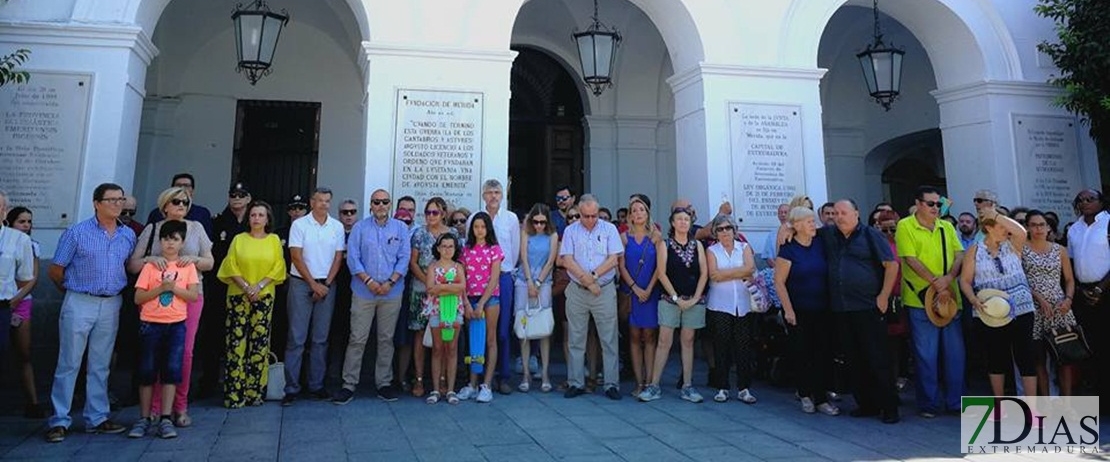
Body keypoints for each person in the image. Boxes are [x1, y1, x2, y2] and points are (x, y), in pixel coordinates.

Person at [45, 183, 137, 443]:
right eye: (112, 200)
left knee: (101, 363)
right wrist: (73, 294)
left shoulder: (127, 235)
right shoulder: (77, 232)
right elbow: (56, 270)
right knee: (69, 362)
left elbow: (128, 265)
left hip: (111, 303)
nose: (118, 205)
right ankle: (59, 419)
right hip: (80, 300)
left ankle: (97, 417)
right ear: (96, 203)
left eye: (121, 200)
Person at [126, 187, 214, 427]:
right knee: (155, 352)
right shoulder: (153, 229)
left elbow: (210, 261)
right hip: (156, 298)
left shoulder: (196, 228)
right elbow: (133, 264)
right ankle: (154, 408)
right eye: (176, 201)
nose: (181, 206)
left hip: (189, 295)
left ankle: (180, 406)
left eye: (185, 202)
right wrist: (150, 260)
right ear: (164, 205)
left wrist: (194, 260)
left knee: (184, 353)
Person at [822, 200, 900, 424]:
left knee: (877, 358)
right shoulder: (829, 235)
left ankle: (889, 406)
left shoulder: (869, 235)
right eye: (835, 213)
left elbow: (891, 264)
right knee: (853, 359)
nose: (839, 217)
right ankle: (866, 404)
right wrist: (788, 229)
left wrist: (884, 295)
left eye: (844, 212)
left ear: (856, 213)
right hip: (841, 308)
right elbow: (804, 232)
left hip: (868, 306)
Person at [333, 189, 411, 405]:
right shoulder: (359, 228)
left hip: (391, 292)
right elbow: (353, 259)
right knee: (357, 338)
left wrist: (390, 282)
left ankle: (383, 383)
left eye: (385, 201)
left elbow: (404, 258)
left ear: (390, 204)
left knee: (386, 339)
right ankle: (348, 385)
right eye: (376, 202)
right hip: (363, 291)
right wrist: (369, 281)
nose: (381, 205)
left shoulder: (401, 229)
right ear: (371, 204)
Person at [895, 186, 965, 418]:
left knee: (955, 354)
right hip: (920, 299)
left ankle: (956, 402)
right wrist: (936, 282)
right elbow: (910, 259)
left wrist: (949, 278)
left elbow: (959, 255)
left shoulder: (946, 227)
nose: (936, 208)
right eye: (931, 203)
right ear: (919, 203)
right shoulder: (906, 225)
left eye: (938, 204)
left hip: (949, 299)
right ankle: (929, 403)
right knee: (926, 355)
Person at [958, 206, 1036, 406]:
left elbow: (1021, 231)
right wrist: (973, 299)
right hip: (990, 312)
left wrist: (998, 215)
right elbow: (965, 280)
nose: (1006, 230)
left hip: (1021, 309)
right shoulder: (974, 251)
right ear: (989, 228)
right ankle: (1000, 404)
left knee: (1026, 357)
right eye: (1001, 226)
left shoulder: (1012, 244)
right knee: (996, 358)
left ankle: (1032, 408)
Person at [128, 220, 199, 439]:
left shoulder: (187, 267)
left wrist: (174, 288)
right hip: (151, 323)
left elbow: (193, 295)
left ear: (182, 243)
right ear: (160, 242)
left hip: (176, 323)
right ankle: (145, 417)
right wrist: (160, 288)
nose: (170, 243)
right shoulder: (151, 267)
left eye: (175, 239)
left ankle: (166, 417)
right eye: (166, 239)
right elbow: (138, 296)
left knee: (171, 371)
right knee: (147, 371)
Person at [216, 201, 286, 408]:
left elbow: (278, 266)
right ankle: (234, 394)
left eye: (261, 215)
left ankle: (255, 392)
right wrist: (247, 287)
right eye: (253, 214)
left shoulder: (273, 240)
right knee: (236, 344)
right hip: (239, 295)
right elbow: (230, 264)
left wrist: (259, 286)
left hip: (264, 296)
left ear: (267, 219)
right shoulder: (239, 239)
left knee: (260, 344)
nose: (256, 218)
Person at [282, 188, 345, 406]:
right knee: (296, 337)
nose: (324, 205)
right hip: (301, 284)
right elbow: (296, 257)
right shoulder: (299, 225)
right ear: (312, 202)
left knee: (320, 339)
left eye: (328, 201)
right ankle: (291, 388)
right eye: (320, 200)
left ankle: (316, 385)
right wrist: (313, 285)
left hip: (327, 284)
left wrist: (325, 284)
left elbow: (338, 258)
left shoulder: (336, 226)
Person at [775, 207, 839, 416]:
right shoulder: (789, 249)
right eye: (809, 221)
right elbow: (779, 282)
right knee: (803, 353)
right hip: (799, 310)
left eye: (813, 221)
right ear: (798, 225)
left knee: (823, 352)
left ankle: (821, 398)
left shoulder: (820, 244)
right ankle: (804, 394)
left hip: (823, 308)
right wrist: (788, 310)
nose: (814, 224)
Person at [639, 207, 708, 403]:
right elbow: (661, 273)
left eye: (687, 219)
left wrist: (695, 298)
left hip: (693, 300)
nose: (683, 223)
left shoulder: (698, 246)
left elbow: (704, 272)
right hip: (670, 300)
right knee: (664, 342)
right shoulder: (665, 244)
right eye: (679, 219)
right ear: (672, 222)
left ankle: (687, 385)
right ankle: (654, 385)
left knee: (688, 341)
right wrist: (676, 298)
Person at [560, 195, 623, 400]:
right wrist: (587, 281)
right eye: (585, 216)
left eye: (594, 215)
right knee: (576, 338)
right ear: (579, 212)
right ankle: (576, 382)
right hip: (578, 290)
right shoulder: (570, 231)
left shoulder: (609, 229)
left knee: (609, 338)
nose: (590, 220)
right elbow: (567, 260)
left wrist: (594, 277)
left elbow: (613, 258)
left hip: (603, 289)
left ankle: (611, 384)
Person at [197, 182, 252, 398]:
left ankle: (242, 381)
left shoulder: (254, 222)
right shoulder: (218, 222)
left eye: (241, 194)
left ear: (248, 198)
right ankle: (209, 382)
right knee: (214, 334)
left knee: (245, 335)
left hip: (248, 288)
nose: (237, 198)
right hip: (221, 287)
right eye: (233, 195)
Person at [1022, 210, 1077, 396]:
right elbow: (1019, 280)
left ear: (1048, 227)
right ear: (1027, 228)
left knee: (1065, 358)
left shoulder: (1060, 250)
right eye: (1034, 225)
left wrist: (1068, 299)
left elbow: (1069, 279)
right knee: (1038, 360)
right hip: (1034, 309)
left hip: (1060, 307)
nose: (1038, 228)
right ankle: (1046, 404)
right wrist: (1037, 296)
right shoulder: (1021, 249)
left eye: (1042, 224)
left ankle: (1067, 403)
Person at [705, 214, 758, 404]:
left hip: (742, 305)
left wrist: (726, 273)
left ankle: (744, 388)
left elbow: (750, 269)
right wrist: (739, 272)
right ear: (715, 233)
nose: (725, 232)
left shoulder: (744, 247)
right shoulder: (712, 251)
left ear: (734, 230)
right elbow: (714, 275)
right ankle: (722, 387)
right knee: (721, 347)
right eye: (720, 229)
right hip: (720, 305)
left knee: (743, 346)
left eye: (728, 228)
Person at [407, 197, 456, 397]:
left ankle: (443, 378)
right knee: (419, 334)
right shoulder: (419, 233)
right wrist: (429, 284)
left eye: (435, 212)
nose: (430, 216)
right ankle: (419, 379)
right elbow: (413, 262)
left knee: (445, 336)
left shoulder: (452, 234)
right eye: (427, 212)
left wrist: (441, 286)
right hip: (421, 290)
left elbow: (456, 262)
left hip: (445, 293)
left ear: (443, 213)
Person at [456, 212, 504, 403]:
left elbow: (494, 278)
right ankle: (472, 383)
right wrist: (467, 302)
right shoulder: (466, 250)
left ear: (488, 228)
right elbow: (461, 276)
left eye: (483, 226)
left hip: (490, 299)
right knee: (473, 340)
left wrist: (482, 302)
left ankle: (487, 384)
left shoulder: (494, 249)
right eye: (476, 227)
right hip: (470, 298)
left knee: (490, 339)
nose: (479, 230)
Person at [1064, 189, 1107, 401]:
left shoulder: (1108, 223)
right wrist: (1080, 290)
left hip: (1106, 291)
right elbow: (1070, 262)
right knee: (1088, 346)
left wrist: (1100, 289)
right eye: (1080, 200)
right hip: (1083, 293)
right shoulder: (1074, 229)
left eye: (1090, 199)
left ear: (1101, 201)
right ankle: (1096, 397)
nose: (1085, 203)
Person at [2, 200, 41, 418]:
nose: (26, 225)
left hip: (19, 302)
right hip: (4, 299)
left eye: (29, 222)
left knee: (24, 353)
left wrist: (16, 299)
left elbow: (32, 278)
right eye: (21, 221)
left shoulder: (31, 244)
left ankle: (33, 401)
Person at [618, 197, 660, 397]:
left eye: (641, 210)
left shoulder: (655, 237)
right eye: (634, 210)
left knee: (650, 336)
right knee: (634, 336)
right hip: (632, 292)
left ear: (647, 213)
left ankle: (651, 381)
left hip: (650, 292)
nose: (638, 213)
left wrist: (649, 289)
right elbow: (621, 266)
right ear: (630, 215)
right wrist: (635, 288)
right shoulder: (624, 238)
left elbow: (661, 266)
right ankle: (639, 383)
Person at [516, 204, 558, 392]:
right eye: (536, 222)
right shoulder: (525, 233)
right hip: (524, 280)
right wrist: (530, 282)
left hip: (544, 281)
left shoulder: (553, 236)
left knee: (543, 327)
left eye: (542, 222)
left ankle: (545, 373)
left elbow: (551, 261)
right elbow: (523, 257)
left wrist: (539, 283)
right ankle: (525, 374)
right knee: (523, 326)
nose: (539, 225)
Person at [423, 233, 467, 405]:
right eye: (444, 246)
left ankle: (450, 389)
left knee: (452, 349)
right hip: (436, 310)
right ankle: (435, 388)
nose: (447, 249)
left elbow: (462, 287)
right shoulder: (433, 266)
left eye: (451, 246)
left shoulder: (458, 266)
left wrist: (441, 286)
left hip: (454, 310)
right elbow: (430, 289)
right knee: (437, 349)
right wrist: (449, 287)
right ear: (438, 248)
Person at [875, 210, 910, 393]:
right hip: (884, 297)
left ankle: (902, 375)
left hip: (904, 297)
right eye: (885, 229)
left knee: (902, 340)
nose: (889, 233)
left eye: (893, 229)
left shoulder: (904, 243)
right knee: (888, 342)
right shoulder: (877, 245)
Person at [328, 199, 359, 382]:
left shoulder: (362, 233)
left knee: (353, 335)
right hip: (334, 288)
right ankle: (332, 377)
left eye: (352, 212)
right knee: (334, 335)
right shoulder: (332, 232)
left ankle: (351, 376)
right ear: (339, 214)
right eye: (344, 212)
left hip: (356, 290)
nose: (348, 216)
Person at [145, 173, 214, 238]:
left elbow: (208, 242)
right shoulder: (157, 213)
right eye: (178, 185)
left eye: (186, 185)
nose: (182, 188)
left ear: (192, 190)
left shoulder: (202, 213)